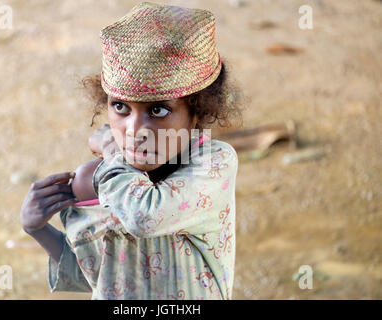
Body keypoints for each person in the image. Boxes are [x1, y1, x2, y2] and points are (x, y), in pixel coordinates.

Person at [20, 1, 243, 300]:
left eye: (159, 110)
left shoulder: (214, 164)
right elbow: (100, 275)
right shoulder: (114, 179)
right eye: (121, 107)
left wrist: (111, 152)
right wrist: (37, 229)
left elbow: (143, 216)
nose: (135, 129)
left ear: (197, 113)